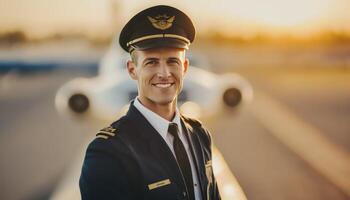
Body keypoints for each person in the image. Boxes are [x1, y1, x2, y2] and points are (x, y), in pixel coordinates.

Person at [79, 5, 221, 200]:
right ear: (132, 70)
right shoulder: (107, 153)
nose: (164, 73)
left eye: (173, 61)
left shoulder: (199, 135)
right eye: (151, 62)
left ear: (185, 67)